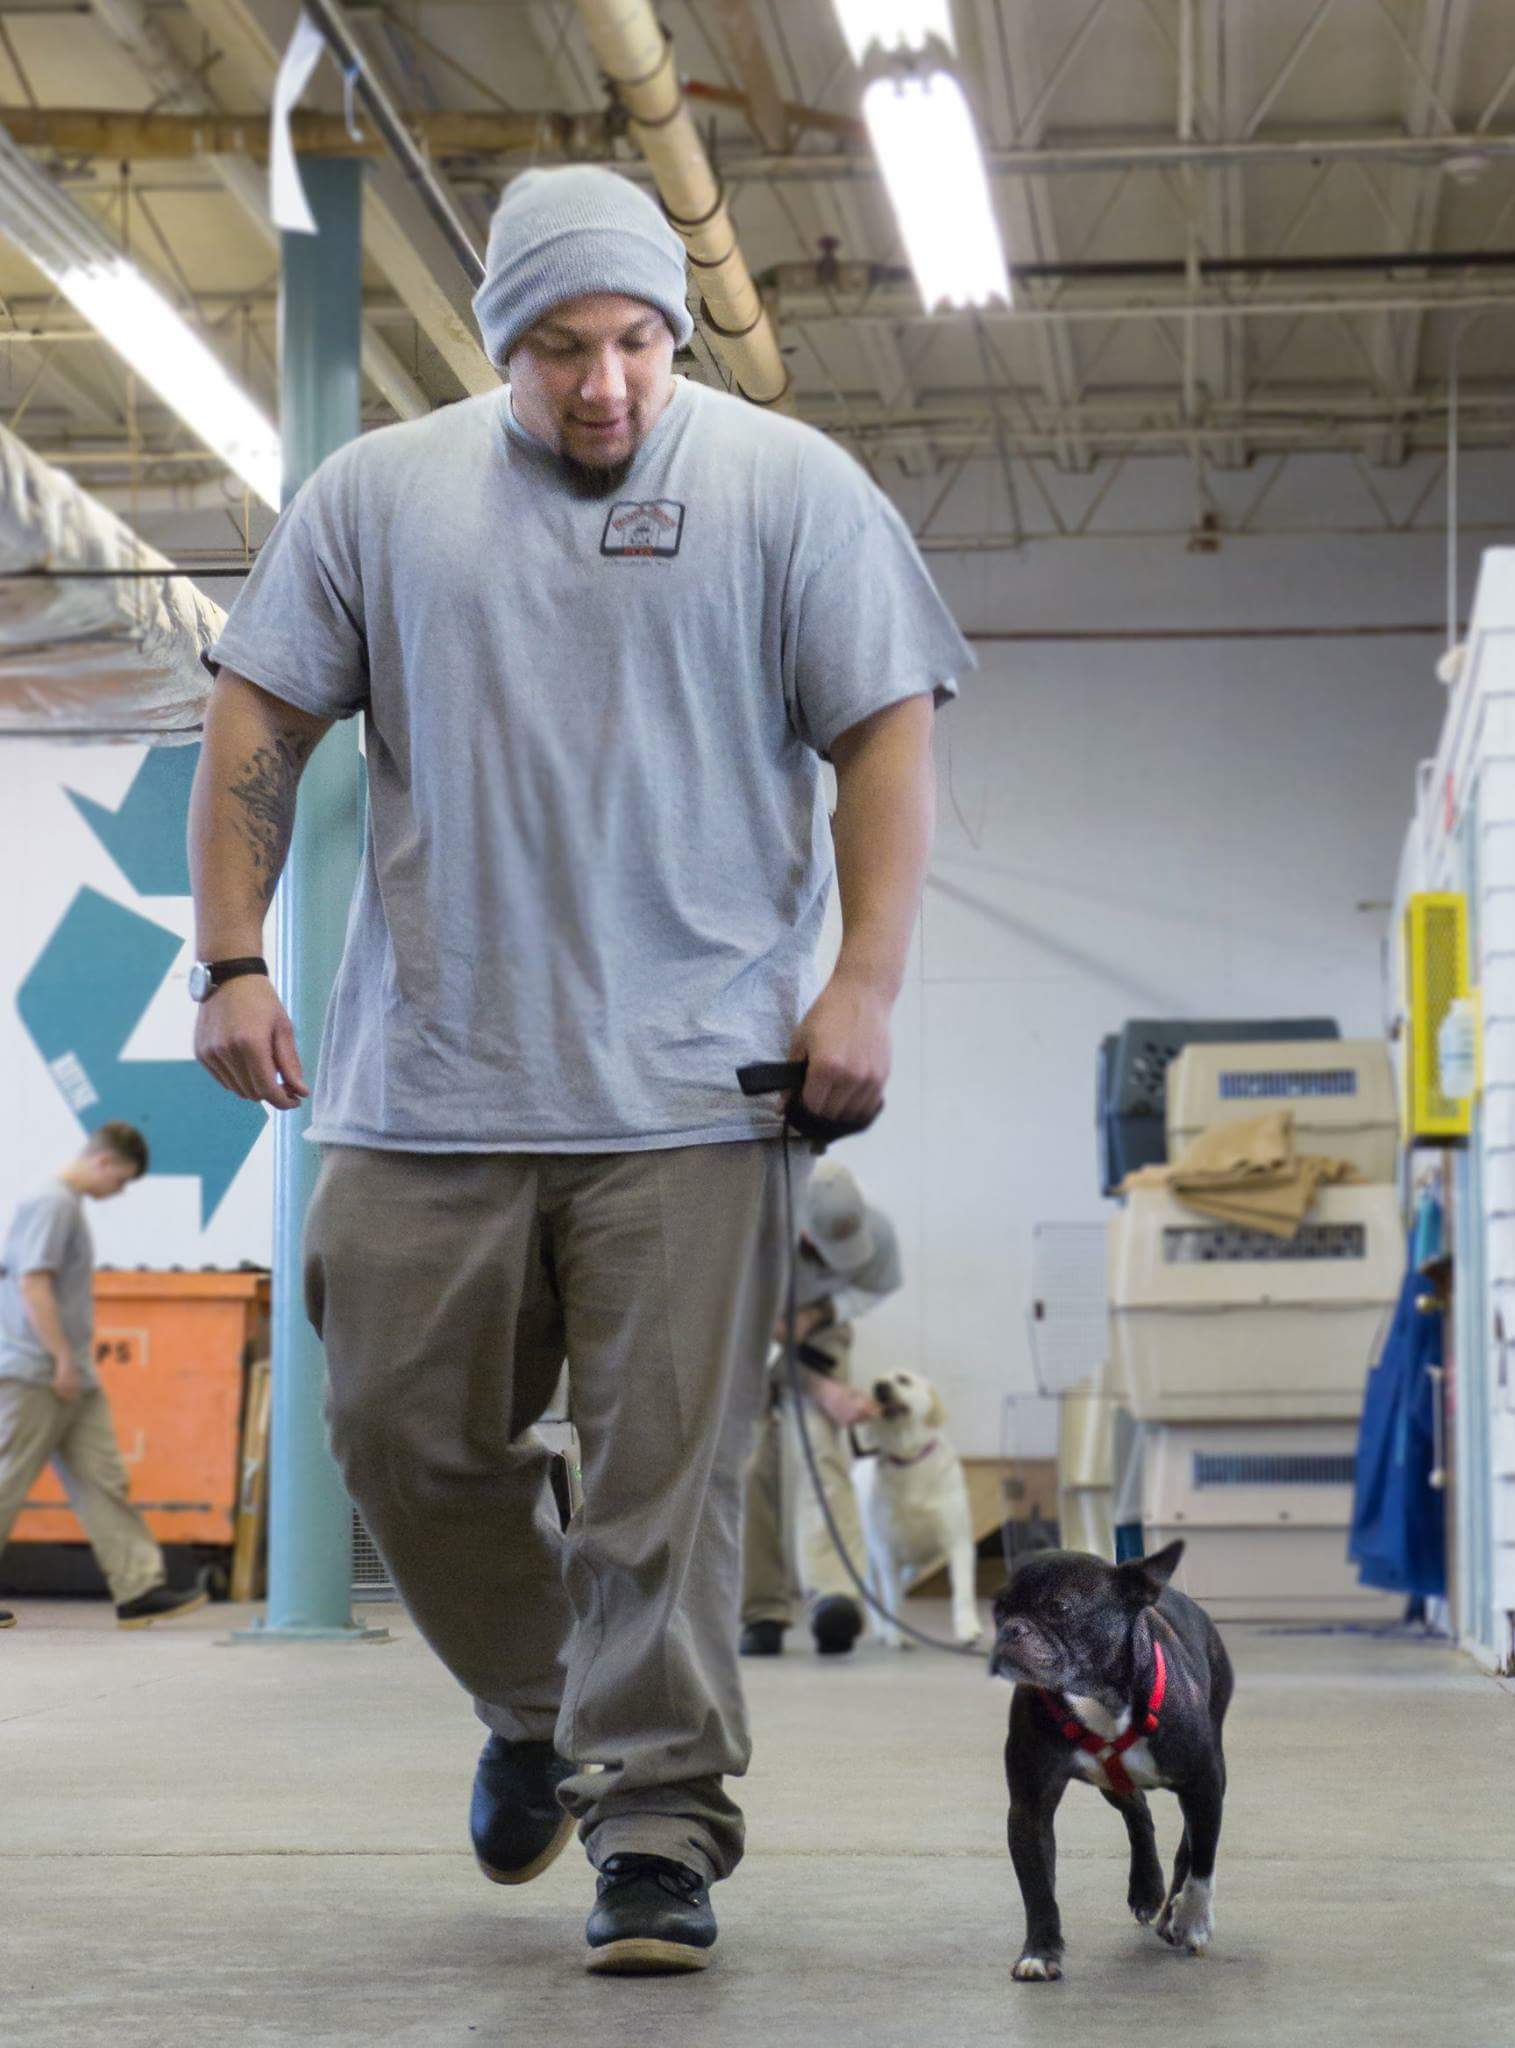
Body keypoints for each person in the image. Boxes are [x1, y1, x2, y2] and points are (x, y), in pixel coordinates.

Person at [187, 164, 971, 1976]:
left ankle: (657, 1824)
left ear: (673, 333)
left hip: (699, 1095)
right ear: (499, 346)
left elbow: (885, 734)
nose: (602, 384)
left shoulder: (791, 490)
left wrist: (861, 983)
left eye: (632, 343)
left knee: (663, 1488)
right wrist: (230, 954)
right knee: (396, 1435)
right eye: (558, 348)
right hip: (428, 1080)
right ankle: (542, 1706)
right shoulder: (379, 498)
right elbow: (258, 716)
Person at [0, 1123, 210, 1631]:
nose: (118, 1192)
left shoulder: (65, 1205)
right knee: (6, 1478)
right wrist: (61, 1358)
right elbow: (33, 1283)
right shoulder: (51, 1204)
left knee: (102, 1479)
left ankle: (139, 1588)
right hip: (38, 1370)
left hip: (70, 1376)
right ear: (105, 1162)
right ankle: (139, 1585)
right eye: (122, 1181)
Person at [740, 1160, 901, 1658]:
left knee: (823, 1449)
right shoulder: (749, 1236)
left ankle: (834, 1597)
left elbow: (873, 1289)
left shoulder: (876, 1233)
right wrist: (823, 1387)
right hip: (744, 1337)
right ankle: (761, 1612)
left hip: (818, 1328)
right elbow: (751, 1339)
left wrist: (821, 1313)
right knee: (746, 1464)